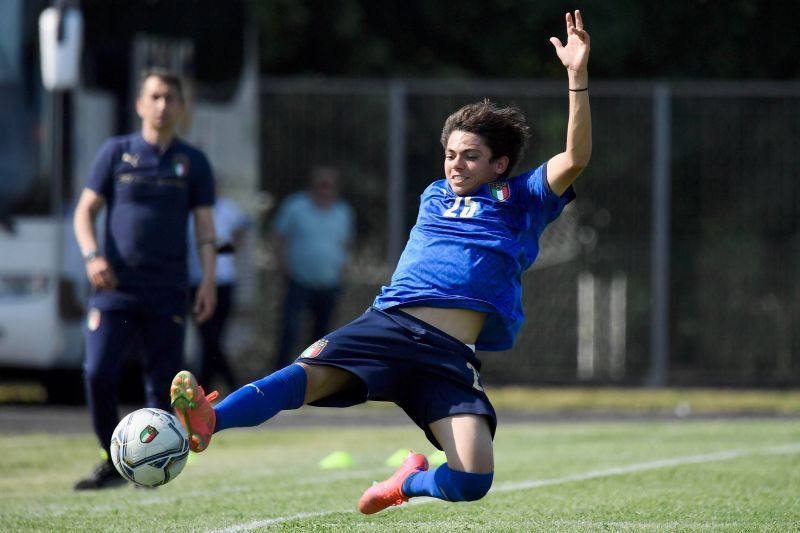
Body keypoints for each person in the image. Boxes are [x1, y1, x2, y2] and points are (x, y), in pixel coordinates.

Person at [171, 10, 590, 514]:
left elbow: (576, 157)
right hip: (390, 325)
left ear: (499, 164)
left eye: (470, 156)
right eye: (451, 153)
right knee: (303, 377)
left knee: (473, 479)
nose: (456, 163)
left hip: (447, 355)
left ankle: (405, 484)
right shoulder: (434, 193)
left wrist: (576, 77)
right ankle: (210, 421)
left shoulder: (521, 196)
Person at [72, 68, 217, 490]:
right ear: (139, 104)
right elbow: (84, 212)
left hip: (167, 291)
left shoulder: (193, 162)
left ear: (181, 107)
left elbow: (206, 229)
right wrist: (92, 255)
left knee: (163, 388)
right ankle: (110, 456)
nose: (162, 105)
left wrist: (207, 280)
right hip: (114, 290)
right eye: (154, 96)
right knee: (98, 372)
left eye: (170, 97)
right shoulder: (116, 153)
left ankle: (151, 467)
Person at [271, 165, 355, 369]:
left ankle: (314, 375)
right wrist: (283, 266)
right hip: (298, 280)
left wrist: (344, 268)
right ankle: (280, 374)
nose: (324, 189)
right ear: (312, 185)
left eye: (329, 185)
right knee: (290, 331)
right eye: (321, 185)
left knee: (322, 335)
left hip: (330, 282)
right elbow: (278, 237)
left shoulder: (343, 212)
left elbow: (346, 244)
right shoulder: (295, 206)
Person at [187, 191, 251, 391]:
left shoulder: (227, 207)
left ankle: (204, 388)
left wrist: (226, 249)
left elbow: (243, 228)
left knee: (212, 339)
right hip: (196, 281)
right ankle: (231, 385)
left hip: (224, 281)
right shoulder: (189, 211)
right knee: (208, 338)